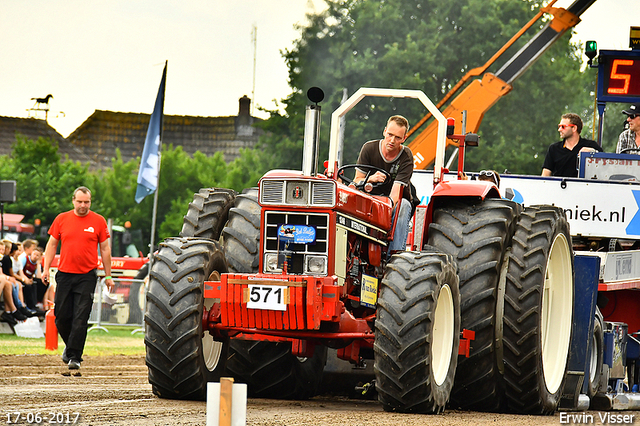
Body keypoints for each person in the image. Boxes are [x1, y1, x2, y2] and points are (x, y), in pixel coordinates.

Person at [42, 186, 114, 371]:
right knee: (61, 317)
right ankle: (70, 347)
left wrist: (108, 275)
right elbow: (51, 245)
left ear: (90, 202)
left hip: (87, 275)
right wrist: (45, 269)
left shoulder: (98, 221)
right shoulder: (61, 219)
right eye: (80, 201)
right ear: (73, 200)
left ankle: (75, 356)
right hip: (65, 274)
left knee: (80, 318)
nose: (83, 205)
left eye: (86, 202)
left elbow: (105, 249)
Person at [354, 115, 414, 254]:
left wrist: (381, 214)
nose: (392, 141)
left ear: (404, 138)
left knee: (404, 205)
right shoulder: (369, 148)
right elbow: (357, 180)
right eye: (390, 135)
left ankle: (395, 257)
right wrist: (370, 179)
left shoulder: (406, 156)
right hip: (369, 198)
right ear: (384, 131)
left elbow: (396, 193)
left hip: (391, 203)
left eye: (398, 138)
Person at [541, 113, 602, 177]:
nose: (559, 130)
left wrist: (592, 153)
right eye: (559, 126)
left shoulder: (590, 145)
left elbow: (605, 165)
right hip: (560, 186)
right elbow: (545, 175)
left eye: (563, 127)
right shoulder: (554, 149)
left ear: (574, 128)